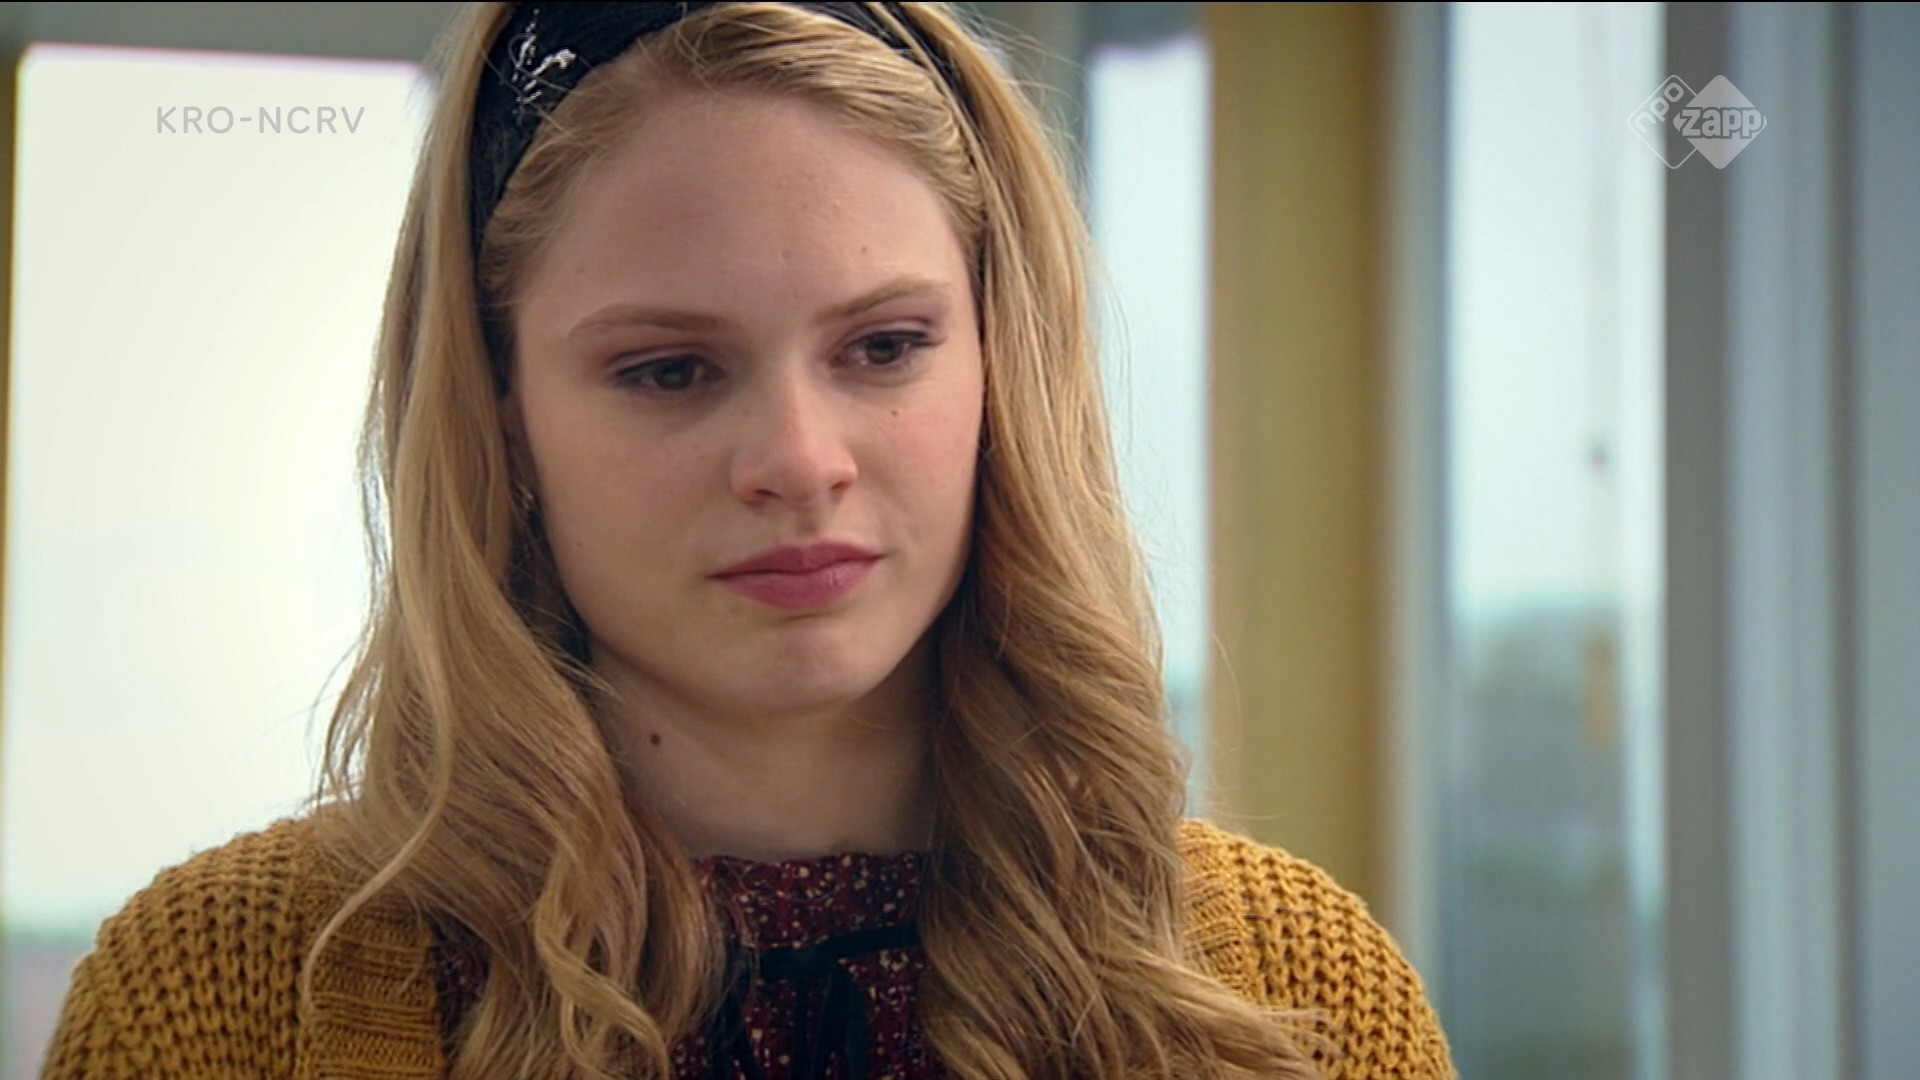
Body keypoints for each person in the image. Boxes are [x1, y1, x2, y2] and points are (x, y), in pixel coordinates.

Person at [41, 4, 1454, 1079]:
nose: (797, 459)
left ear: (998, 369)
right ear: (501, 415)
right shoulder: (223, 1000)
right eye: (669, 369)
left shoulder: (1299, 993)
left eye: (884, 346)